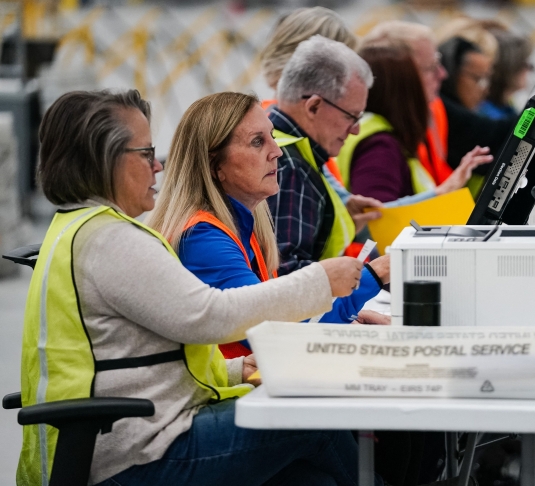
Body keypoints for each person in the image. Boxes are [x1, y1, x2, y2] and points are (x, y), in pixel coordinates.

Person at [24, 89, 370, 486]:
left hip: (124, 438)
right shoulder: (109, 240)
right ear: (105, 160)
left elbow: (142, 360)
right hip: (137, 453)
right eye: (144, 153)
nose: (157, 166)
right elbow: (211, 316)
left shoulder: (81, 231)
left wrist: (236, 368)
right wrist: (321, 281)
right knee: (313, 416)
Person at [147, 92, 390, 357]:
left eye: (272, 137)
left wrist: (347, 315)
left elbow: (282, 319)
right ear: (215, 165)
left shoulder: (238, 226)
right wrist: (373, 275)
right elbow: (274, 335)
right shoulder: (202, 238)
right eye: (257, 142)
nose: (276, 152)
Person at [363, 20, 535, 172]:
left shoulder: (433, 114)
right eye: (430, 68)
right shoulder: (381, 144)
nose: (440, 75)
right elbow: (500, 137)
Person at [267, 35, 381, 275]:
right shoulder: (290, 168)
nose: (356, 129)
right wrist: (369, 277)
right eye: (351, 116)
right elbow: (288, 278)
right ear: (314, 106)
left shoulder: (278, 143)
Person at [336, 42, 492, 204]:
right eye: (418, 78)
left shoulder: (377, 134)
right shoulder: (380, 147)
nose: (441, 75)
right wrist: (442, 192)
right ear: (405, 90)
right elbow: (377, 217)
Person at [478, 29, 533, 119]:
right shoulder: (484, 112)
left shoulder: (507, 108)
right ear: (510, 67)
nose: (530, 68)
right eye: (526, 63)